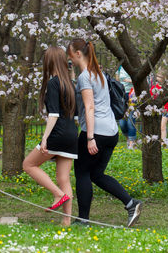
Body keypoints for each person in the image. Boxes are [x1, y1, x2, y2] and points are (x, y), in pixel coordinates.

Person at [68, 38, 142, 227]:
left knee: (82, 172)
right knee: (96, 174)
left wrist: (90, 137)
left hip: (96, 131)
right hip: (111, 131)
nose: (70, 59)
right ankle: (131, 203)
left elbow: (89, 107)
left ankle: (83, 219)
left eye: (71, 55)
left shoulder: (85, 77)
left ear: (78, 54)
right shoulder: (98, 73)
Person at [22, 47, 78, 226]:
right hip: (71, 134)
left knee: (28, 164)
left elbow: (53, 115)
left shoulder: (54, 83)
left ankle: (58, 194)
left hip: (58, 134)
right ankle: (66, 221)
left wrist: (45, 138)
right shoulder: (71, 84)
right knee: (64, 178)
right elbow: (76, 114)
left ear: (49, 62)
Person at [116, 65, 137, 149]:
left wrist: (129, 80)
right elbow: (117, 81)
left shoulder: (134, 66)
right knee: (122, 123)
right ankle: (128, 139)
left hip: (132, 94)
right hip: (122, 95)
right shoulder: (120, 67)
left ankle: (132, 143)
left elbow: (138, 80)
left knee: (131, 120)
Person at [150, 72, 168, 141]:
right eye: (157, 76)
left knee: (162, 127)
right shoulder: (154, 88)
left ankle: (163, 142)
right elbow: (151, 98)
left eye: (160, 77)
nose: (158, 78)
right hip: (157, 109)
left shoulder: (167, 88)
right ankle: (159, 140)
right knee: (158, 127)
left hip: (166, 109)